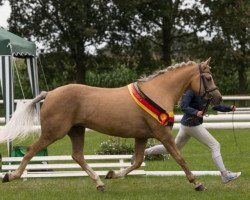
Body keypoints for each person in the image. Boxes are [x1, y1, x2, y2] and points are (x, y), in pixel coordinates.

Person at [140, 90, 241, 184]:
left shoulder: (204, 92)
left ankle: (142, 152)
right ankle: (225, 175)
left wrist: (228, 108)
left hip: (187, 126)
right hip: (192, 124)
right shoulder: (191, 91)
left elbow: (214, 107)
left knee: (174, 147)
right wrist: (196, 112)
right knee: (215, 145)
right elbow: (183, 106)